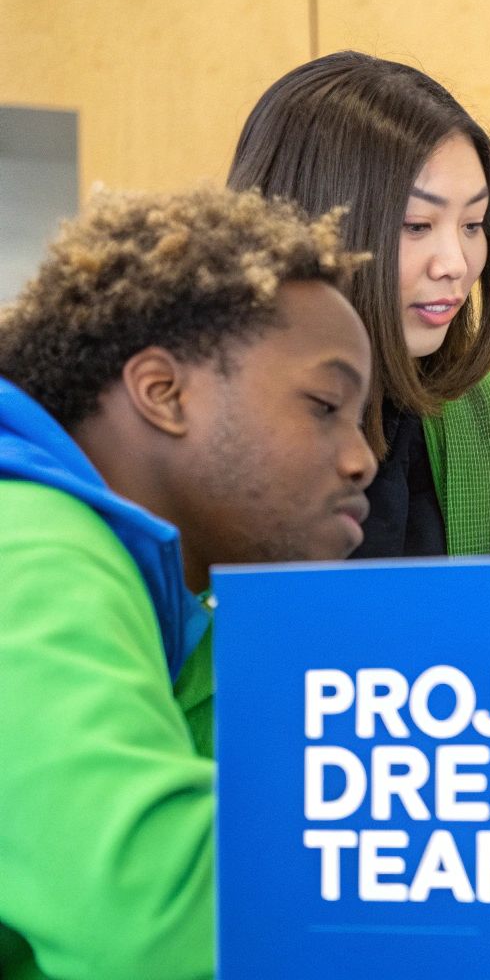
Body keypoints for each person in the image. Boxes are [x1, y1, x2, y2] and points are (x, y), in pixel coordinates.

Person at [0, 187, 374, 979]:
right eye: (325, 404)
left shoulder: (179, 606)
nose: (360, 457)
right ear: (163, 393)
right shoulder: (30, 542)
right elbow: (147, 917)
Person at [229, 50, 490, 558]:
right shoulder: (223, 415)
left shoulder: (466, 402)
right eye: (417, 225)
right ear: (312, 224)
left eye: (473, 225)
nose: (455, 264)